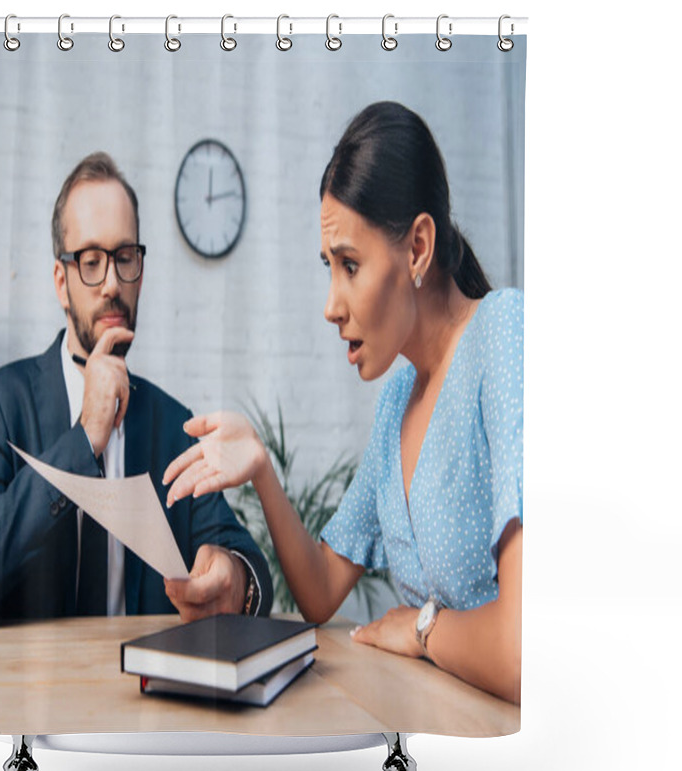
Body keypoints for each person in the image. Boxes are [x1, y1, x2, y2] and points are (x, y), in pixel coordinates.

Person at [162, 102, 523, 704]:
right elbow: (323, 589)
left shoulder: (502, 334)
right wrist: (262, 472)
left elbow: (522, 650)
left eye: (349, 265)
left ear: (418, 248)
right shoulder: (396, 404)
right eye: (329, 267)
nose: (331, 304)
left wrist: (422, 628)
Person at [0, 152, 272, 633]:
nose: (112, 283)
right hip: (34, 700)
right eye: (90, 262)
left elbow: (251, 567)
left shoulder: (175, 425)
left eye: (125, 257)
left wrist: (234, 579)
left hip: (144, 698)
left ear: (141, 272)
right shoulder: (6, 402)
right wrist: (84, 438)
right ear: (61, 283)